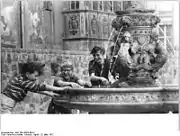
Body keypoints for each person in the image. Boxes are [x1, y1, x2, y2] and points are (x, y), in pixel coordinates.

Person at [1, 61, 68, 114]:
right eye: (35, 76)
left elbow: (35, 89)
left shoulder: (22, 78)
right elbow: (40, 87)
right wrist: (60, 89)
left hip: (7, 101)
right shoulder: (24, 82)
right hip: (6, 103)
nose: (36, 78)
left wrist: (50, 94)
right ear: (27, 74)